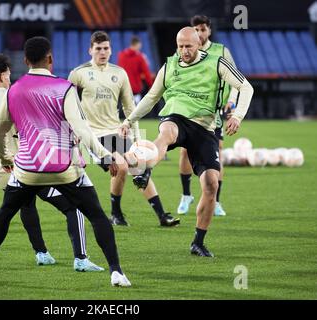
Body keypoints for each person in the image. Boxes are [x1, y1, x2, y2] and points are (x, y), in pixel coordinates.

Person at [0, 36, 131, 287]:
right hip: (64, 170)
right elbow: (82, 129)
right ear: (51, 59)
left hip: (26, 170)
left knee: (4, 214)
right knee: (97, 215)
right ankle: (117, 272)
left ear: (25, 61)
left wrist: (5, 158)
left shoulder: (13, 90)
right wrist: (105, 155)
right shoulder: (64, 88)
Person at [120, 27, 254, 257]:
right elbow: (152, 97)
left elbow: (246, 86)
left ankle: (198, 242)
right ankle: (145, 169)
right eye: (180, 46)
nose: (183, 50)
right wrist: (129, 120)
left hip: (204, 127)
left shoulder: (217, 62)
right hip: (176, 117)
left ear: (199, 44)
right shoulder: (169, 65)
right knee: (166, 133)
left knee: (211, 184)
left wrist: (238, 116)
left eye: (188, 46)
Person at [68, 31, 179, 228]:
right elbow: (68, 106)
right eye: (98, 49)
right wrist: (73, 132)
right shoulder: (78, 73)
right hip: (93, 134)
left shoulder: (119, 73)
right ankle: (116, 213)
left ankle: (161, 216)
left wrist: (136, 137)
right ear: (90, 50)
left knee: (138, 166)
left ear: (111, 50)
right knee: (122, 166)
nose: (103, 52)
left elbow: (130, 108)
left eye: (106, 48)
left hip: (116, 131)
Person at [176, 15, 238, 217]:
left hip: (213, 113)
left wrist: (232, 102)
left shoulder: (221, 51)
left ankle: (216, 200)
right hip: (189, 111)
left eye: (203, 29)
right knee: (184, 152)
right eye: (196, 29)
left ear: (209, 31)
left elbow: (237, 79)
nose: (200, 33)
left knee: (217, 152)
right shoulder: (186, 50)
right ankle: (186, 195)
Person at [117, 35, 154, 104]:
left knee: (126, 111)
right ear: (138, 44)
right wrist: (151, 86)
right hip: (135, 89)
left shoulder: (121, 55)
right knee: (136, 110)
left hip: (124, 88)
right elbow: (146, 73)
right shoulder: (140, 57)